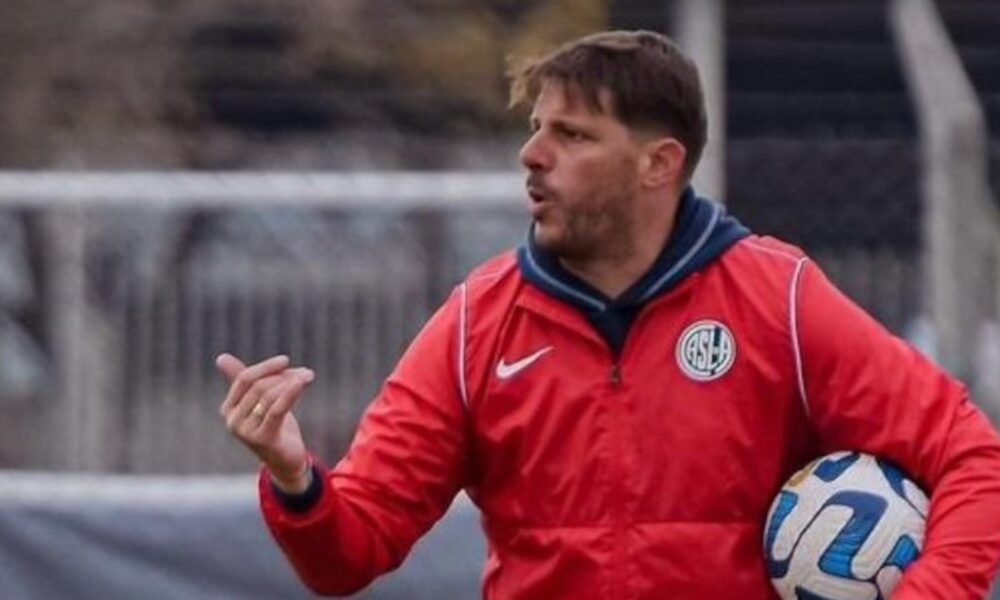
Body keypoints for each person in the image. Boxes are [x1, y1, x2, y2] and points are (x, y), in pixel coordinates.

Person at [216, 30, 1000, 599]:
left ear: (659, 163)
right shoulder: (477, 324)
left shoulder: (779, 301)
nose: (532, 155)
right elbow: (349, 555)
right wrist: (295, 480)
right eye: (536, 130)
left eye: (572, 135)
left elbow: (973, 460)